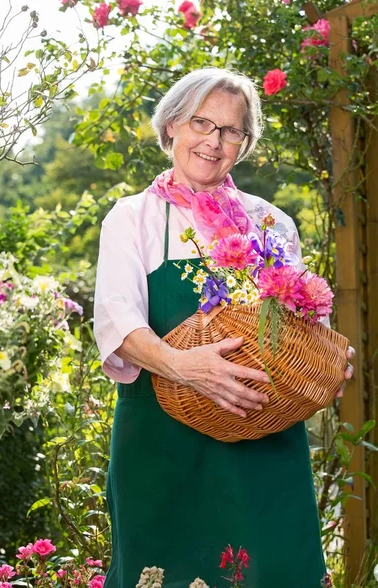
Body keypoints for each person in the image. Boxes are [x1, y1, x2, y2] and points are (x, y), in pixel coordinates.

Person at [94, 67, 354, 588]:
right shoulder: (133, 218)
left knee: (277, 569)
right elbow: (117, 321)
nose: (213, 142)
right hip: (164, 444)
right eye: (200, 123)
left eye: (230, 130)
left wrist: (325, 363)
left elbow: (301, 327)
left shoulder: (271, 223)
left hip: (264, 435)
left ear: (244, 142)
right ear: (171, 127)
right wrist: (183, 367)